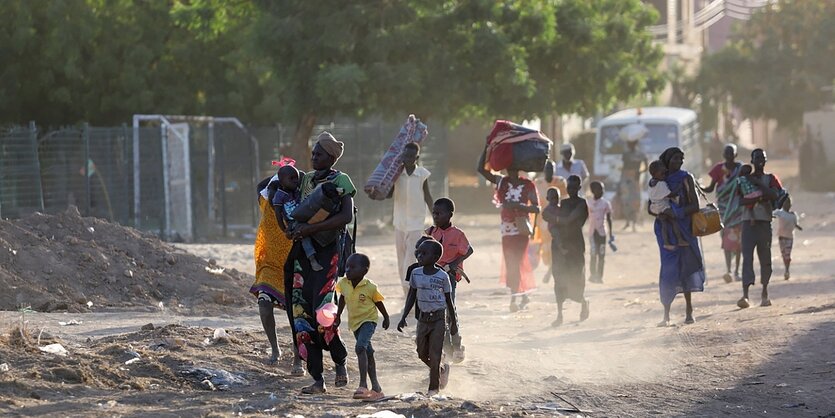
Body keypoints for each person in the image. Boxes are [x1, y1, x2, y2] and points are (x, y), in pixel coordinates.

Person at [284, 131, 355, 394]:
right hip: (303, 254)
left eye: (319, 154)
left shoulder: (341, 180)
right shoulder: (306, 180)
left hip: (329, 253)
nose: (314, 157)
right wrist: (294, 229)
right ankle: (317, 379)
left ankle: (340, 361)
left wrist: (311, 230)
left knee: (323, 313)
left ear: (332, 157)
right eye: (313, 153)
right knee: (301, 315)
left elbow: (345, 216)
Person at [251, 170, 303, 374]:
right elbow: (259, 186)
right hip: (269, 266)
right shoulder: (265, 204)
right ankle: (275, 349)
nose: (275, 197)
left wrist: (290, 174)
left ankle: (298, 358)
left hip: (294, 265)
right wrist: (280, 172)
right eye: (273, 191)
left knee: (296, 315)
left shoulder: (295, 207)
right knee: (264, 304)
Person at [477, 145, 540, 312]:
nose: (510, 169)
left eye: (513, 166)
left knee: (517, 260)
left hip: (521, 227)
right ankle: (520, 295)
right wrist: (487, 146)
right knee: (511, 261)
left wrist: (518, 206)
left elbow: (537, 208)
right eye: (508, 166)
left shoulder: (528, 185)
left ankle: (516, 296)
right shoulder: (502, 182)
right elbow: (480, 170)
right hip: (507, 228)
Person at [648, 147, 705, 327]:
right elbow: (650, 206)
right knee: (668, 269)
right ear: (667, 160)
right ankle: (666, 314)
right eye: (675, 158)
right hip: (665, 229)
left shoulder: (686, 178)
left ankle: (689, 310)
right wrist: (661, 214)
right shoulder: (656, 181)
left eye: (681, 158)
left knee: (686, 268)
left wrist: (676, 213)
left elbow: (695, 206)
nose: (679, 162)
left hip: (684, 228)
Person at [397, 239, 459, 396]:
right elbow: (411, 295)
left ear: (436, 257)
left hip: (439, 319)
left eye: (424, 253)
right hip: (423, 319)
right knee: (421, 352)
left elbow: (449, 301)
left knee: (435, 353)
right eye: (418, 252)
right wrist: (403, 316)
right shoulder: (415, 273)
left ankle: (433, 389)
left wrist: (453, 324)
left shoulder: (443, 276)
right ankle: (440, 369)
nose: (419, 255)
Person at [333, 253, 390, 401]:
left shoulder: (370, 287)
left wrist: (386, 316)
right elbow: (343, 298)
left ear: (364, 271)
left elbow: (378, 302)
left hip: (368, 321)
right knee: (368, 352)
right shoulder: (344, 283)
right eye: (346, 266)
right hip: (355, 323)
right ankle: (376, 388)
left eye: (352, 267)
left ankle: (363, 385)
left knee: (360, 348)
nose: (347, 270)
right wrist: (338, 316)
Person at [426, 197, 473, 363]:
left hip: (449, 278)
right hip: (432, 277)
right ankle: (445, 347)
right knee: (437, 312)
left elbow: (469, 250)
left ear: (450, 214)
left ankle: (457, 344)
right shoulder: (430, 233)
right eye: (434, 213)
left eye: (439, 213)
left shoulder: (458, 234)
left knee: (449, 310)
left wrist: (453, 264)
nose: (436, 216)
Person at [737, 149, 783, 309]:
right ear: (752, 160)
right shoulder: (743, 179)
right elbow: (740, 201)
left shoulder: (770, 178)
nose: (760, 161)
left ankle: (764, 292)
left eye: (762, 158)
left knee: (765, 259)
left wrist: (757, 185)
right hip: (748, 223)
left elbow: (775, 195)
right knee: (747, 259)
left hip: (764, 223)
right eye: (757, 158)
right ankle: (745, 295)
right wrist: (761, 196)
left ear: (766, 160)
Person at [543, 176, 589, 327]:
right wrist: (555, 219)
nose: (571, 190)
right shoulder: (563, 203)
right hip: (560, 246)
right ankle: (560, 314)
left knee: (576, 277)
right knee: (559, 278)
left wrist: (554, 219)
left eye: (574, 188)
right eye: (569, 187)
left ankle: (583, 302)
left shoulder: (582, 203)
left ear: (579, 188)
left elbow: (569, 220)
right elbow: (545, 214)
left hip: (575, 245)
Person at [388, 142, 433, 295]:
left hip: (416, 222)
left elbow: (427, 196)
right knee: (401, 258)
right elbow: (388, 194)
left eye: (410, 156)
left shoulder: (422, 174)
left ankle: (411, 289)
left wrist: (436, 218)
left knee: (410, 258)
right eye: (405, 155)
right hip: (399, 222)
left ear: (416, 157)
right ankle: (406, 290)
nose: (407, 158)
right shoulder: (396, 174)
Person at [700, 144, 743, 283]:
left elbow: (746, 185)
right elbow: (710, 188)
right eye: (727, 154)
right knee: (727, 239)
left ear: (736, 155)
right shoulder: (718, 169)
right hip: (724, 210)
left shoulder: (741, 168)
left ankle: (736, 270)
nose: (729, 156)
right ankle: (729, 270)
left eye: (731, 154)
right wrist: (697, 186)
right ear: (723, 155)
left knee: (739, 241)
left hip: (738, 209)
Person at [272, 165, 323, 271]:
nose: (295, 181)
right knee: (304, 236)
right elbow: (278, 214)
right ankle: (312, 259)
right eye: (291, 178)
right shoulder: (279, 195)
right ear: (281, 181)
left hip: (305, 217)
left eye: (296, 178)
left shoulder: (297, 190)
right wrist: (284, 230)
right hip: (293, 222)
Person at [648, 160, 690, 251]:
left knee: (665, 224)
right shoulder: (661, 184)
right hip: (662, 207)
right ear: (655, 173)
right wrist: (679, 187)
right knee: (674, 220)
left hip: (654, 207)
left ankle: (666, 243)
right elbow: (670, 195)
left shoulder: (651, 182)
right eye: (662, 173)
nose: (665, 175)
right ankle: (680, 239)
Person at [587, 181, 613, 283]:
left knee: (601, 255)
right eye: (600, 189)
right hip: (592, 233)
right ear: (593, 191)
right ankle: (592, 275)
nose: (602, 191)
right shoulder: (588, 203)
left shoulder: (605, 204)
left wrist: (611, 233)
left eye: (603, 189)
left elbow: (609, 218)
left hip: (602, 233)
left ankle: (600, 276)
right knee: (593, 254)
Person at [619, 138, 647, 232]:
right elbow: (623, 167)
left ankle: (634, 223)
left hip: (636, 179)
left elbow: (646, 167)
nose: (630, 146)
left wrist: (640, 172)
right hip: (626, 179)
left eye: (632, 144)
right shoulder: (625, 154)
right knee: (626, 200)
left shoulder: (641, 154)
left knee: (636, 200)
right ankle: (628, 222)